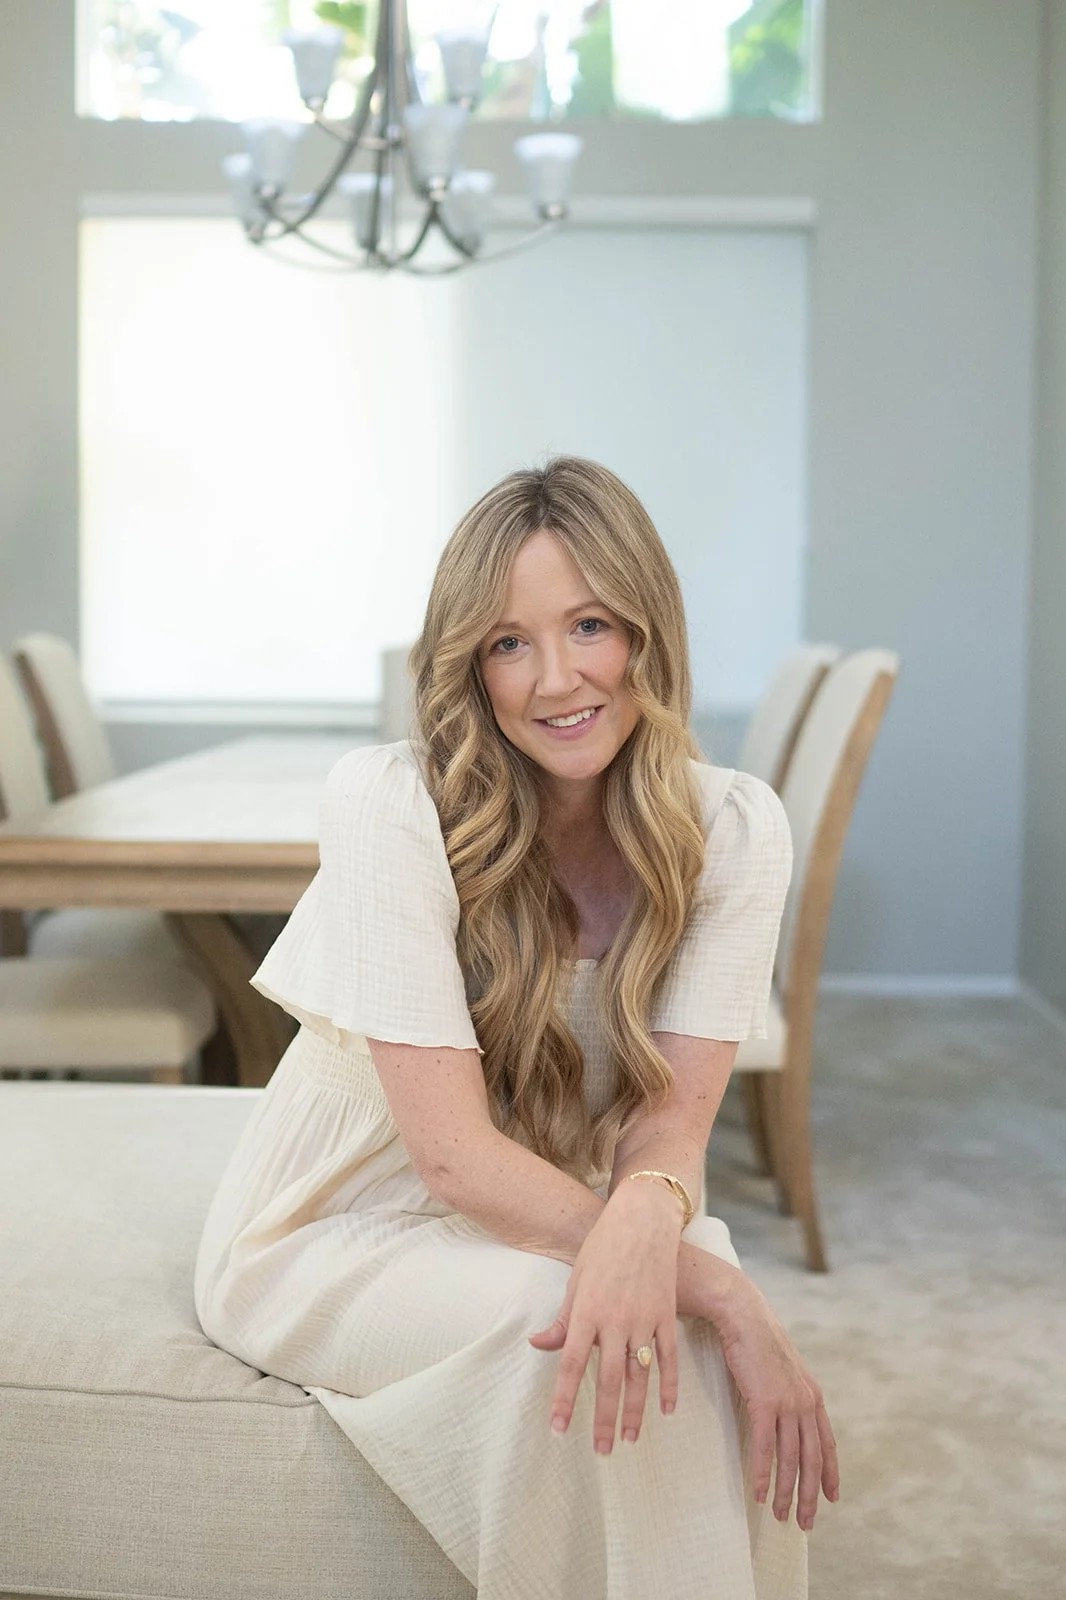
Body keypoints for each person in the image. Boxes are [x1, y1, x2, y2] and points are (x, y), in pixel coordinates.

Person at [194, 455, 839, 1600]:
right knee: (647, 1316)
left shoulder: (734, 828)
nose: (554, 678)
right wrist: (726, 1291)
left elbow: (670, 1120)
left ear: (648, 630)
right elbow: (447, 1157)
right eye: (506, 642)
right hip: (335, 1227)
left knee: (659, 1309)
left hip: (535, 1212)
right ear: (467, 665)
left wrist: (658, 1219)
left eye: (589, 624)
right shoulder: (393, 802)